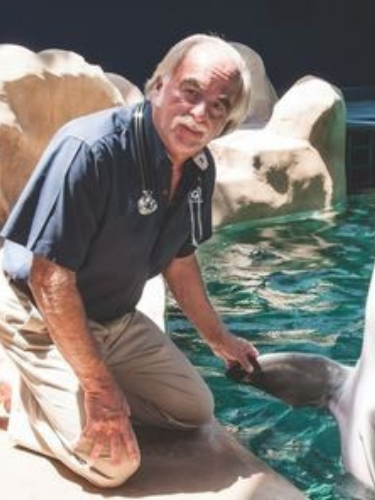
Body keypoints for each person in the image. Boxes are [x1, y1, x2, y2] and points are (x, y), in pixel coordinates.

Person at [0, 34, 258, 487]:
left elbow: (180, 260)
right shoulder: (91, 149)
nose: (200, 113)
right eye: (191, 92)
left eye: (218, 106)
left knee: (193, 410)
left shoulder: (199, 169)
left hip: (114, 320)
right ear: (159, 86)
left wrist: (220, 338)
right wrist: (100, 388)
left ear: (227, 121)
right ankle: (22, 402)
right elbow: (49, 279)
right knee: (113, 466)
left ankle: (68, 383)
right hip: (39, 316)